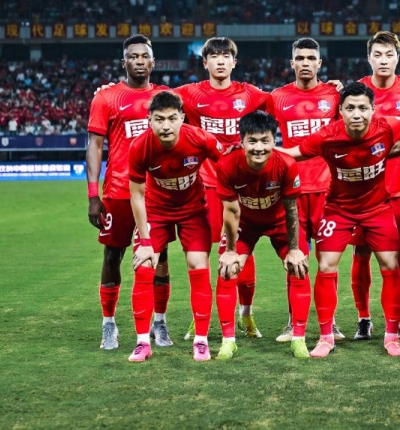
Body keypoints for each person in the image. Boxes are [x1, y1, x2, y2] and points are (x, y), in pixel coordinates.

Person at [279, 82, 400, 357]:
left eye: (363, 108)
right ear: (341, 111)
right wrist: (255, 150)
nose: (357, 114)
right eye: (351, 108)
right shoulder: (327, 136)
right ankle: (326, 337)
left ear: (372, 110)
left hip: (378, 209)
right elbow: (293, 153)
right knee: (326, 266)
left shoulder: (387, 126)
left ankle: (392, 337)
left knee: (391, 265)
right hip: (338, 210)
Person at [176, 37, 270, 340]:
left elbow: (286, 99)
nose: (220, 60)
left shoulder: (250, 94)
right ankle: (200, 316)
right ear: (205, 63)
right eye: (214, 56)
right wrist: (106, 88)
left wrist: (330, 89)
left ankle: (246, 314)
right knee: (201, 251)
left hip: (243, 186)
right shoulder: (190, 94)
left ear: (234, 61)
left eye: (225, 55)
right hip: (206, 184)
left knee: (242, 249)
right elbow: (152, 96)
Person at [86, 35, 173, 351]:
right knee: (113, 255)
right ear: (123, 61)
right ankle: (108, 324)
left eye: (144, 56)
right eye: (132, 56)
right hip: (119, 192)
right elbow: (95, 145)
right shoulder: (106, 97)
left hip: (157, 193)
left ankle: (159, 323)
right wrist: (93, 195)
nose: (139, 61)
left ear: (153, 62)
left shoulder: (166, 97)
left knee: (160, 257)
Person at [127, 91, 222, 362]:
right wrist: (145, 243)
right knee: (144, 266)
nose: (166, 125)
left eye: (172, 118)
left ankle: (201, 341)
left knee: (198, 266)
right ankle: (142, 342)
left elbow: (227, 166)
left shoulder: (200, 138)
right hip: (156, 211)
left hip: (193, 211)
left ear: (182, 118)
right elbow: (136, 195)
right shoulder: (140, 147)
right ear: (149, 120)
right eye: (159, 119)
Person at [215, 111, 312, 360]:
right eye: (252, 141)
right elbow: (231, 211)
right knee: (228, 269)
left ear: (273, 140)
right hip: (245, 223)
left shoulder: (286, 164)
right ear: (242, 141)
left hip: (279, 222)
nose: (259, 148)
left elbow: (291, 209)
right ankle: (228, 341)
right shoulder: (227, 165)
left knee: (299, 267)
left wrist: (294, 249)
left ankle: (299, 338)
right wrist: (231, 251)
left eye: (265, 141)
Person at [352, 31, 400, 340]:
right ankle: (363, 318)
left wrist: (395, 149)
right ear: (368, 57)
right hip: (362, 188)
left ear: (398, 57)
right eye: (378, 54)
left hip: (399, 187)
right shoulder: (356, 92)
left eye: (389, 55)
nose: (383, 60)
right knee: (361, 252)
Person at [269, 37, 344, 343]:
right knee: (295, 259)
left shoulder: (334, 95)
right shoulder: (277, 97)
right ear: (292, 63)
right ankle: (293, 322)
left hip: (328, 190)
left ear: (319, 63)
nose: (305, 63)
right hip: (293, 192)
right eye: (299, 58)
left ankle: (330, 321)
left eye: (311, 58)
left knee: (328, 262)